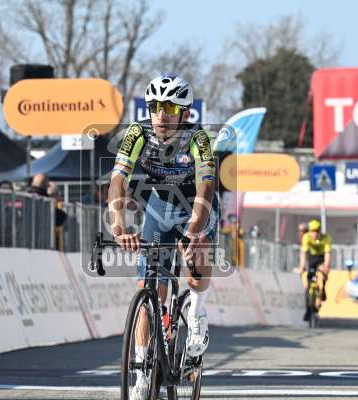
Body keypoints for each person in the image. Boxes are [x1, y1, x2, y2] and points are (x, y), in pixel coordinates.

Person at [108, 74, 218, 399]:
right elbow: (118, 180)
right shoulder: (137, 132)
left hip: (196, 204)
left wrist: (193, 231)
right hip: (160, 206)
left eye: (169, 107)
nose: (161, 114)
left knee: (197, 256)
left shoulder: (198, 138)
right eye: (155, 106)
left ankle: (196, 312)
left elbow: (206, 186)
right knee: (149, 286)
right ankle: (143, 370)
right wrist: (119, 227)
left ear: (185, 113)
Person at [298, 219, 332, 321]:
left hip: (321, 258)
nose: (315, 234)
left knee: (324, 273)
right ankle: (308, 310)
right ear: (309, 231)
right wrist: (302, 266)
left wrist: (326, 266)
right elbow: (303, 253)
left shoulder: (326, 238)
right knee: (309, 286)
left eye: (317, 231)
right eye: (313, 231)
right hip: (312, 258)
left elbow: (327, 254)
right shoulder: (306, 237)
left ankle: (323, 288)